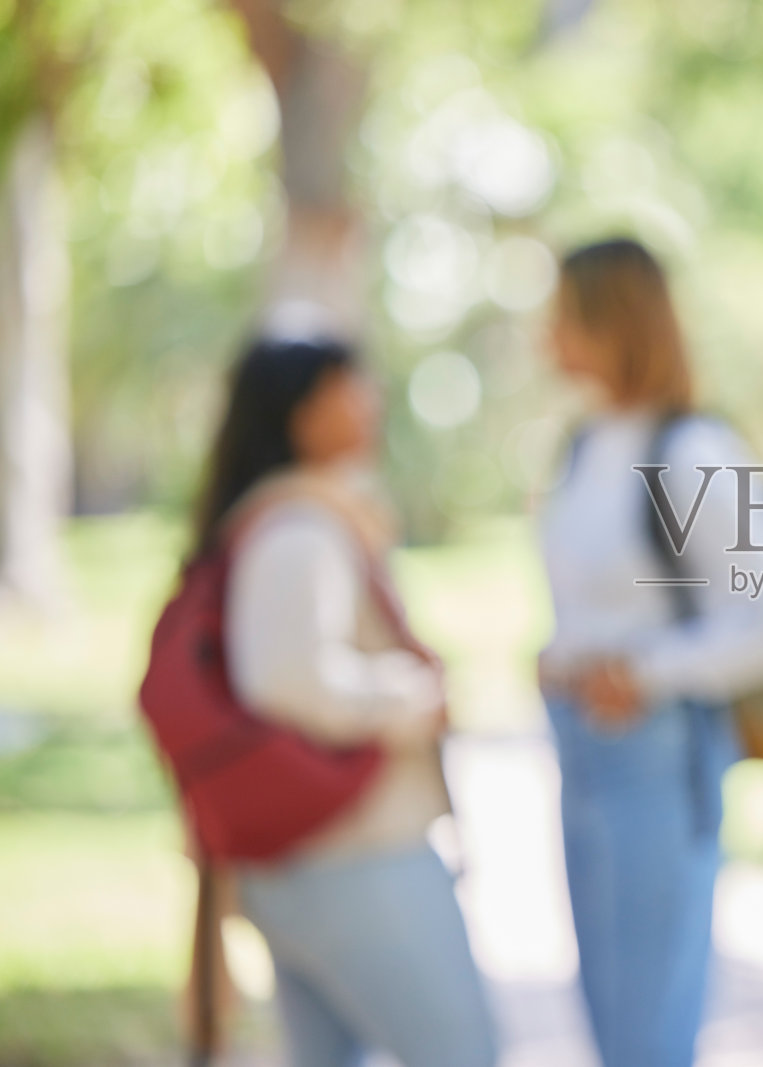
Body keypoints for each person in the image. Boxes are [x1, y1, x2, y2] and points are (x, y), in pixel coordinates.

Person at [534, 238, 763, 1067]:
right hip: (580, 746)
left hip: (654, 754)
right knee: (609, 1019)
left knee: (647, 1028)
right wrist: (565, 654)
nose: (542, 334)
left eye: (560, 312)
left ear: (611, 320)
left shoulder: (692, 450)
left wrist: (645, 670)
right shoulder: (584, 446)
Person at [191, 331, 499, 1067]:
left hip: (309, 859)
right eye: (349, 389)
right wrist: (417, 698)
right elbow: (291, 682)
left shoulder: (284, 520)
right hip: (355, 853)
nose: (371, 402)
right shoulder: (301, 530)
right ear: (302, 414)